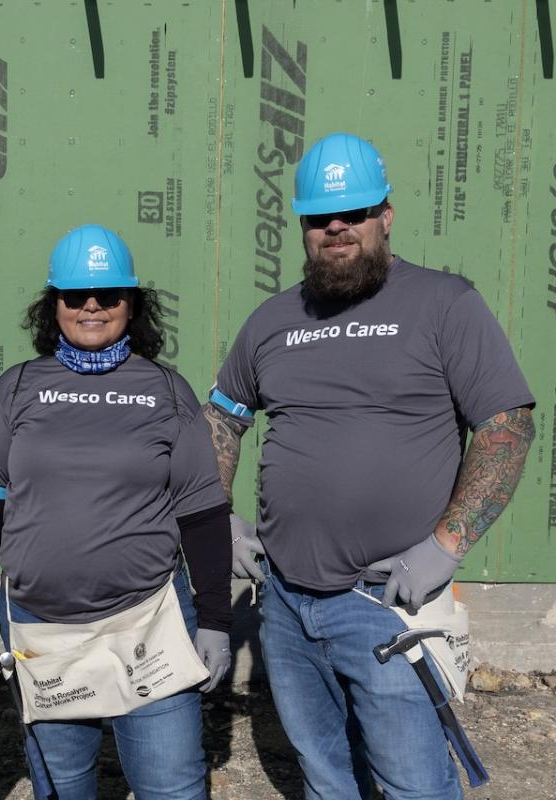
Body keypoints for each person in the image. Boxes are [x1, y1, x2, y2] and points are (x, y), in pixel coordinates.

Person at [207, 132, 535, 799]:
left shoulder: (444, 304)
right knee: (328, 779)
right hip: (288, 605)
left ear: (385, 217)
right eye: (320, 218)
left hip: (389, 606)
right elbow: (221, 418)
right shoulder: (272, 321)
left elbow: (507, 425)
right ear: (302, 227)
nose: (337, 228)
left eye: (353, 214)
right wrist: (216, 519)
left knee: (414, 784)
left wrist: (446, 545)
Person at [0, 224, 234, 800]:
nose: (91, 306)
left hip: (148, 625)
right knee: (64, 789)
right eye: (75, 295)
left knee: (174, 788)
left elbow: (202, 511)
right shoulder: (17, 389)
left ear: (131, 305)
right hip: (43, 630)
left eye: (108, 295)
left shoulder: (165, 389)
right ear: (52, 304)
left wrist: (214, 620)